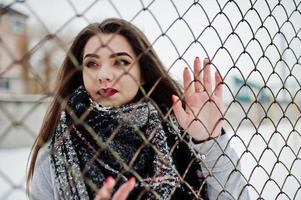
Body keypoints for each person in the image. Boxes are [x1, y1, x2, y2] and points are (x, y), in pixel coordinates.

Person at [27, 18, 250, 200]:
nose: (103, 75)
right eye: (92, 64)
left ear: (143, 74)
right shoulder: (55, 156)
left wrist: (209, 141)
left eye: (121, 62)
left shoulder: (180, 135)